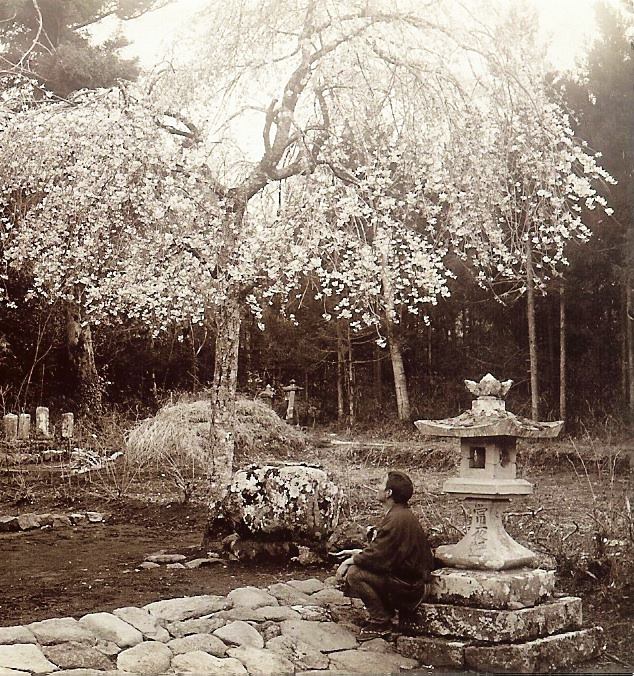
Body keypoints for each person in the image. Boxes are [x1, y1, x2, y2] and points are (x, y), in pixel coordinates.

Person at [335, 470, 434, 638]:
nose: (377, 488)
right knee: (357, 567)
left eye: (381, 485)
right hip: (409, 580)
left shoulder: (397, 519)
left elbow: (378, 556)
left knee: (355, 574)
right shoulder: (400, 515)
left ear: (388, 493)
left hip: (411, 588)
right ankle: (385, 613)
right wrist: (358, 553)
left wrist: (349, 561)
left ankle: (381, 621)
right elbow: (384, 551)